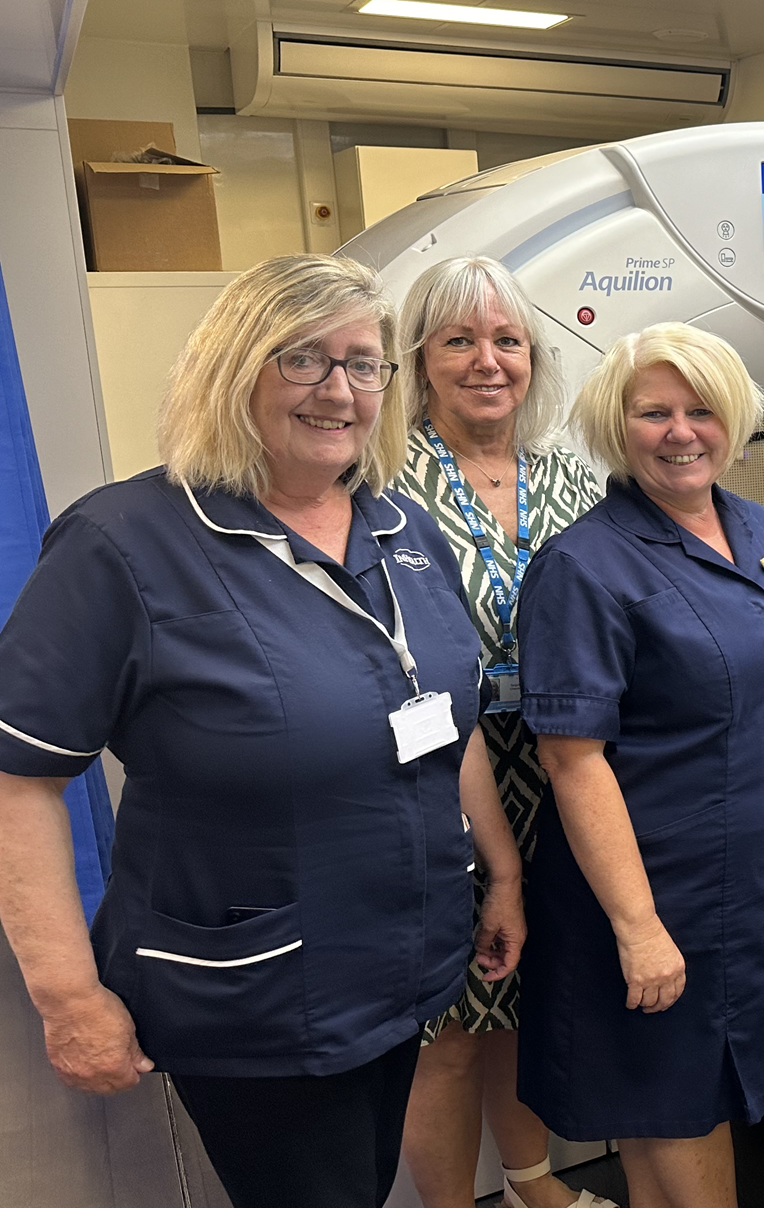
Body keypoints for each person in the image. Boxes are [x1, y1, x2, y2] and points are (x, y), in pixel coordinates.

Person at [0, 254, 521, 1208]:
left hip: (405, 962)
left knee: (363, 1185)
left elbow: (450, 722)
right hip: (255, 997)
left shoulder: (402, 526)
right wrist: (66, 995)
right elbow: (19, 776)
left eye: (364, 364)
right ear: (233, 369)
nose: (339, 390)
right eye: (302, 359)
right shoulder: (126, 542)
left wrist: (500, 875)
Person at [514, 323, 764, 1208]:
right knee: (676, 1109)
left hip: (741, 880)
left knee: (676, 1109)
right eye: (654, 412)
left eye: (701, 409)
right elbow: (571, 761)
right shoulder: (584, 566)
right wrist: (638, 925)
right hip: (649, 887)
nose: (680, 431)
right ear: (619, 429)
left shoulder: (757, 526)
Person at [390, 258, 611, 1208]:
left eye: (506, 340)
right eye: (459, 341)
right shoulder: (381, 482)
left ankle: (531, 1182)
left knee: (520, 997)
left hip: (559, 772)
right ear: (420, 360)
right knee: (448, 1022)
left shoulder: (571, 476)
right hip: (438, 776)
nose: (487, 361)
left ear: (533, 357)